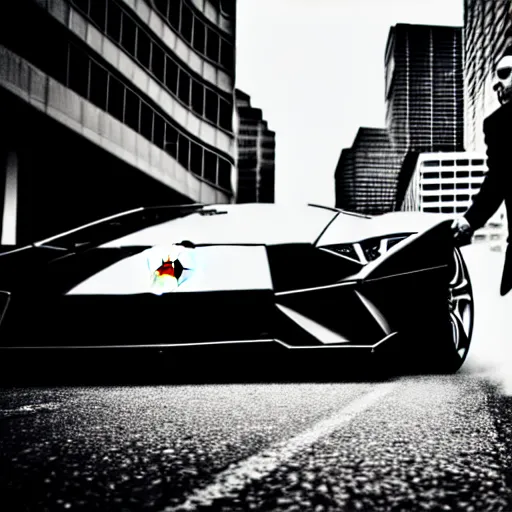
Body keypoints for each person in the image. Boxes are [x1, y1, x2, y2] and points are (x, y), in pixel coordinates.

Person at [452, 46, 512, 295]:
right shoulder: (499, 124)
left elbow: (499, 178)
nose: (496, 84)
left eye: (505, 73)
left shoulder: (500, 124)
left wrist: (470, 221)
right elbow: (499, 178)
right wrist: (470, 220)